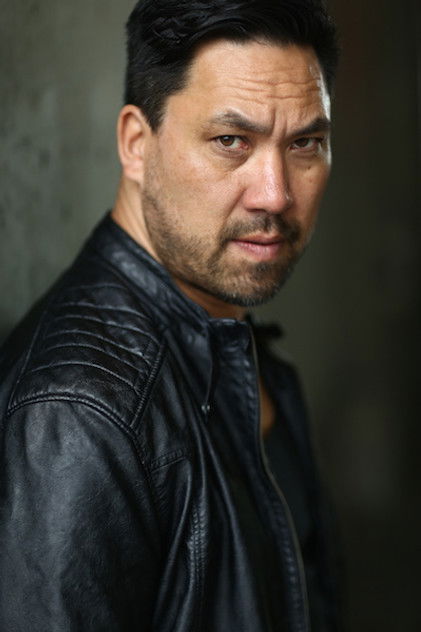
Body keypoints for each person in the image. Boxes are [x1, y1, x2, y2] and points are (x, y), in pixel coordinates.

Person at [0, 0, 340, 630]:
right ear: (137, 144)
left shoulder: (240, 346)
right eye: (230, 141)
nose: (275, 194)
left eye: (305, 143)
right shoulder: (78, 412)